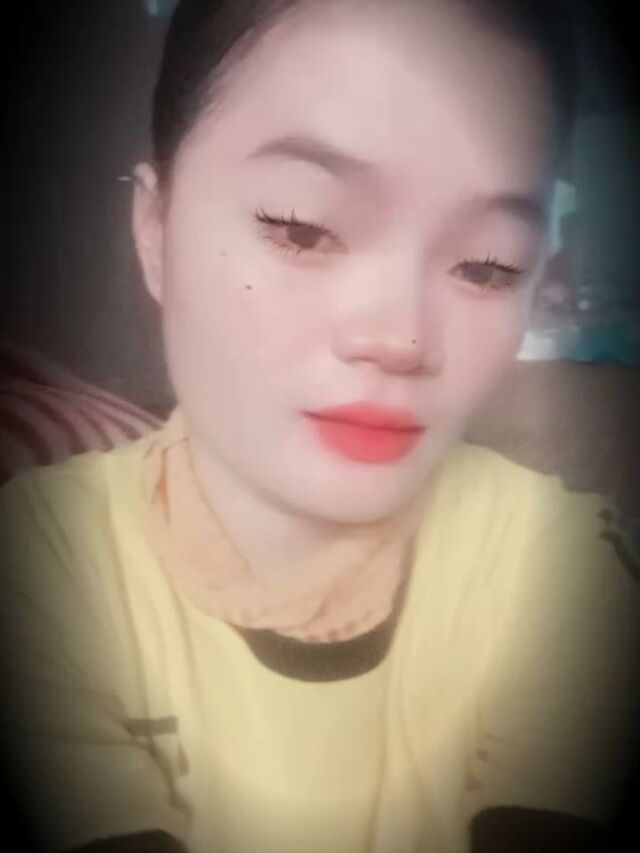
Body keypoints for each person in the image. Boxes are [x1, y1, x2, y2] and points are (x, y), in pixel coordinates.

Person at [1, 1, 639, 851]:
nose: (400, 337)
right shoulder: (41, 568)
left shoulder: (553, 568)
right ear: (154, 230)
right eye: (301, 228)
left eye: (488, 265)